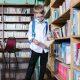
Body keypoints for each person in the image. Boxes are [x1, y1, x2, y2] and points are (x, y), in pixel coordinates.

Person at [24, 5, 51, 80]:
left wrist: (49, 38)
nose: (39, 17)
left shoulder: (46, 23)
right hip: (35, 47)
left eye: (41, 15)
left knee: (43, 65)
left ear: (44, 14)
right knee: (31, 64)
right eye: (37, 16)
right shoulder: (32, 23)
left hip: (44, 48)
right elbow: (29, 34)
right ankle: (27, 78)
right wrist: (33, 40)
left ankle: (41, 78)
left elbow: (47, 34)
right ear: (35, 14)